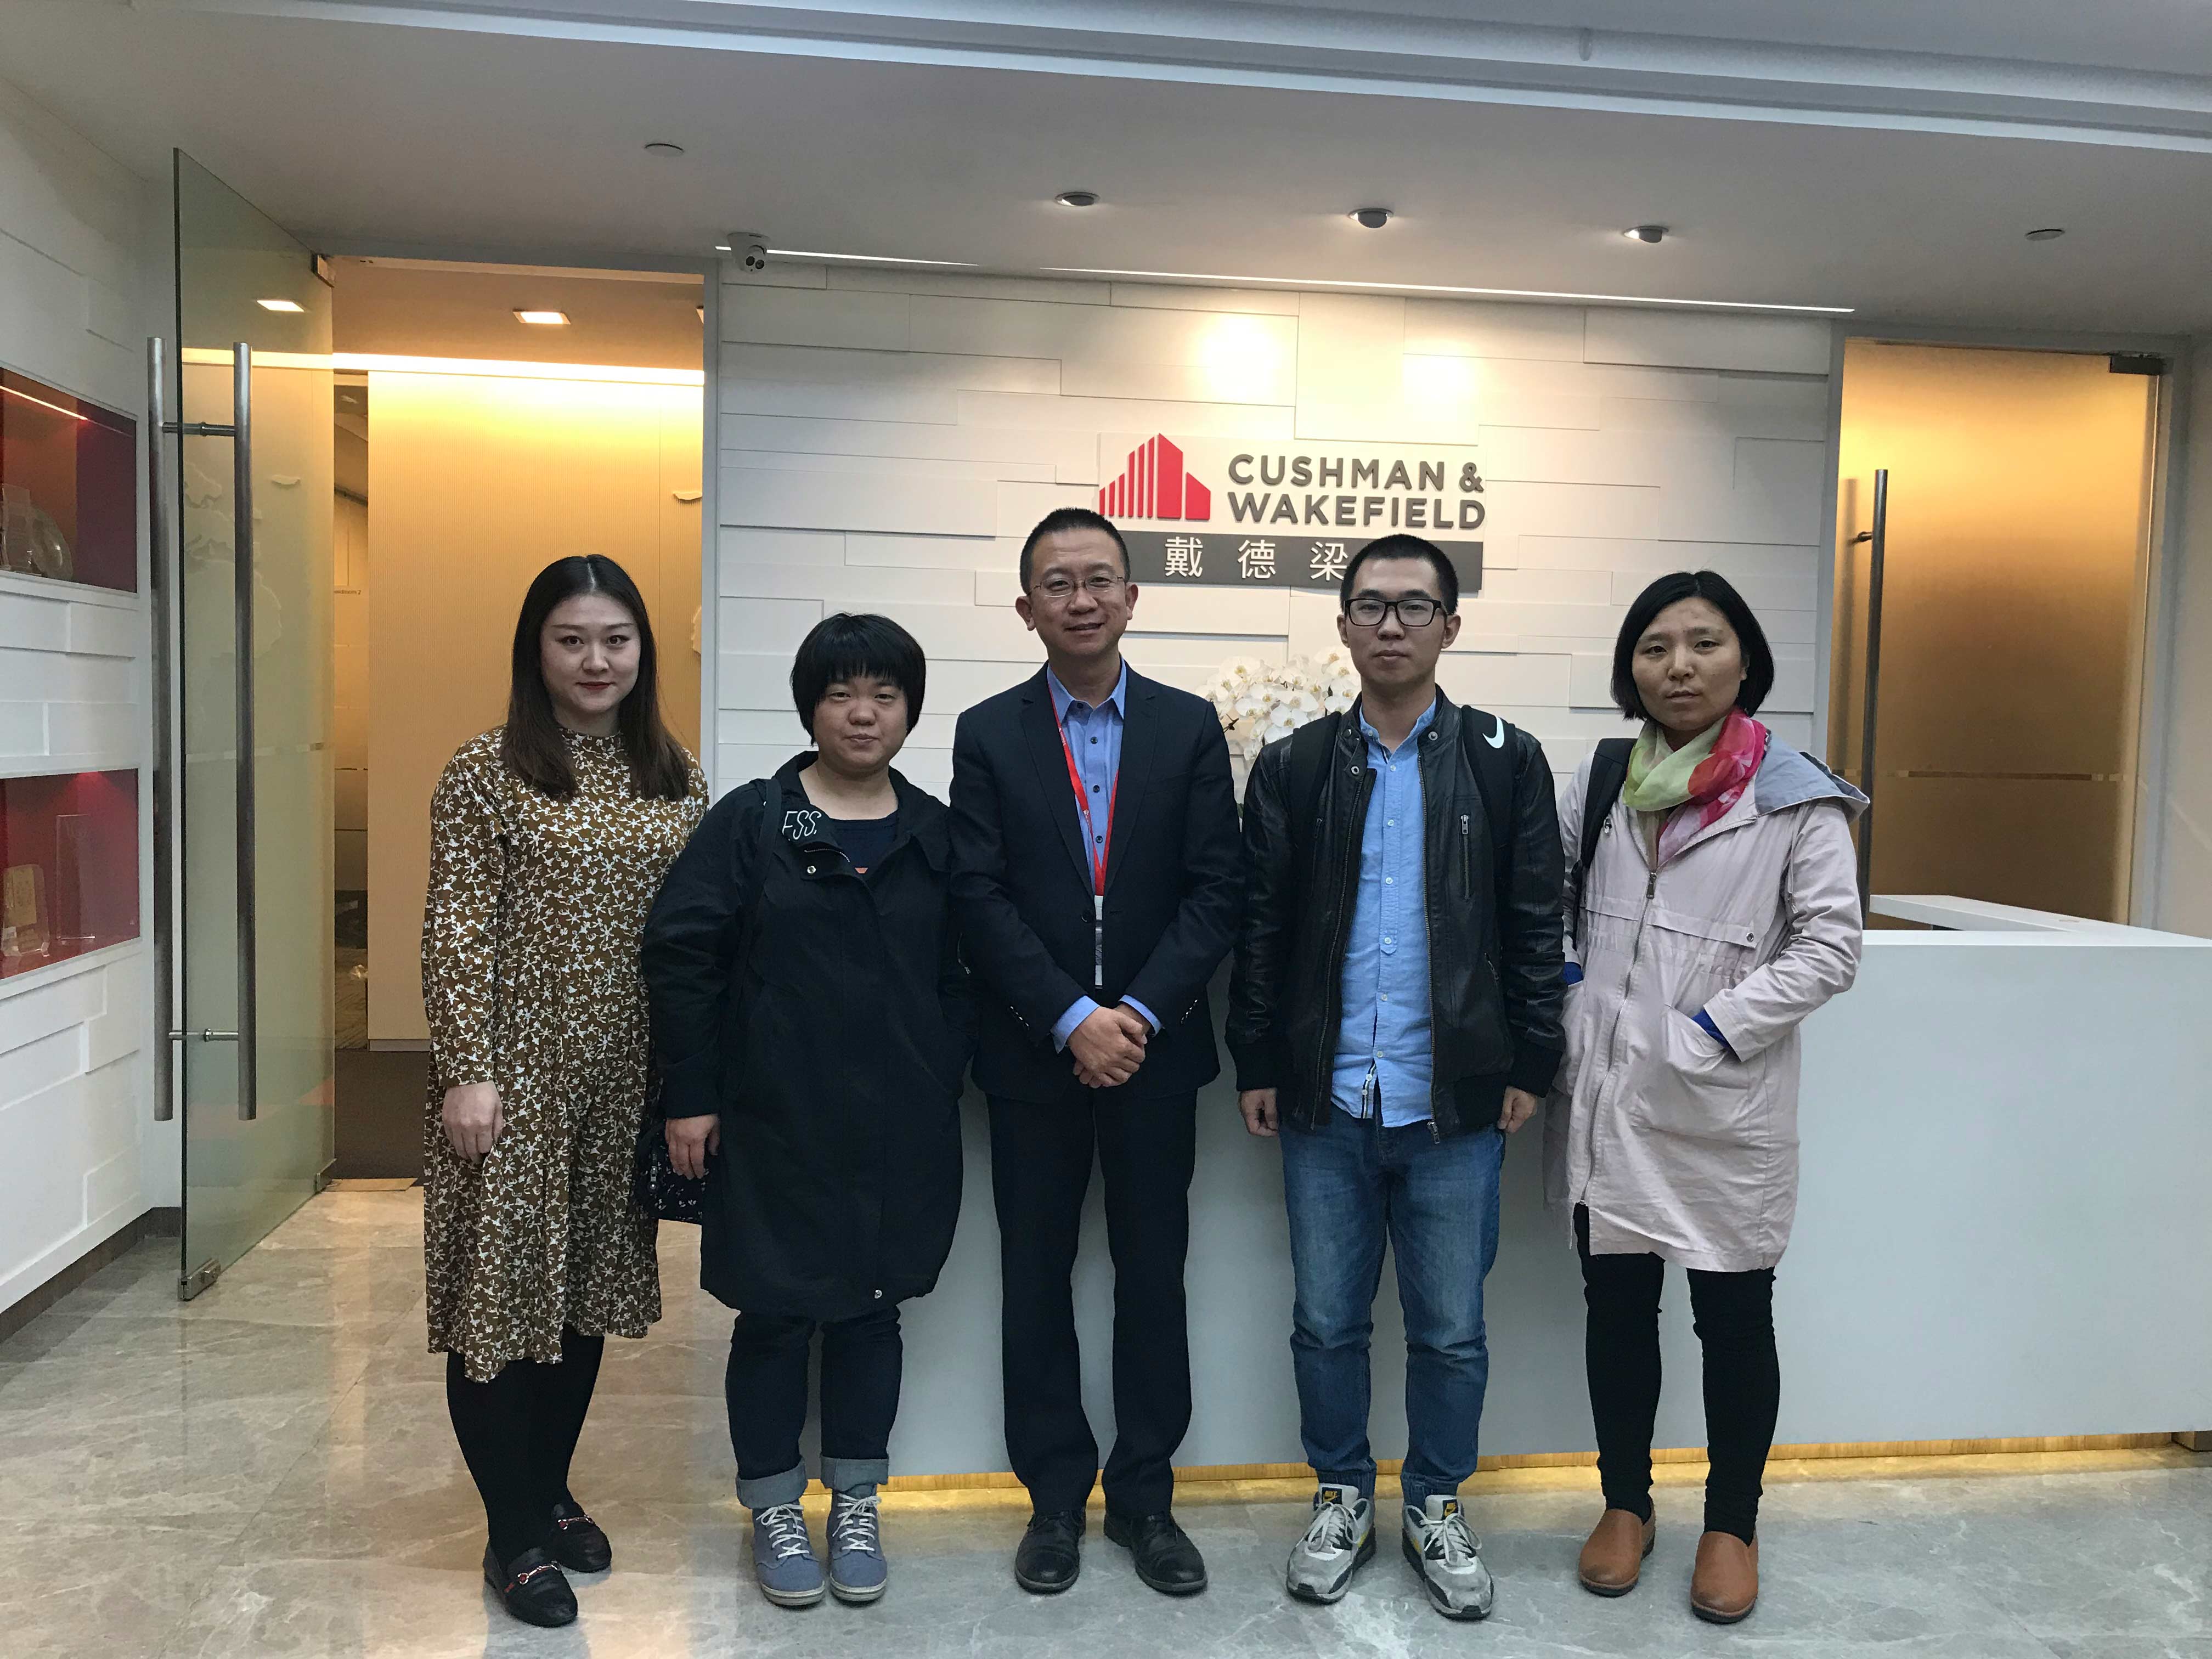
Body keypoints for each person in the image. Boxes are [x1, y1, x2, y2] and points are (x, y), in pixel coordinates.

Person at [1228, 533, 1566, 1622]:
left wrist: (1532, 1058)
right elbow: (1264, 927)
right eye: (1370, 605)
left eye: (1414, 606)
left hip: (1454, 1102)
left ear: (1450, 627)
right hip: (1327, 1096)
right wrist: (1257, 1057)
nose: (1390, 624)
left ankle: (1434, 1504)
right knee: (1327, 1322)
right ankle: (1340, 1495)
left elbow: (1534, 924)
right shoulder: (1294, 766)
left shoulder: (1506, 761)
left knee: (1451, 1328)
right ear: (1342, 626)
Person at [1548, 570, 1865, 1625]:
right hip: (1606, 1096)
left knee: (1731, 1319)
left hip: (1720, 1103)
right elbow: (1551, 900)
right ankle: (1625, 1504)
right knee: (1616, 1312)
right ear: (1630, 668)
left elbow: (1830, 947)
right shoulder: (1604, 778)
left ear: (1746, 660)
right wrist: (1572, 997)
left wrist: (1708, 1032)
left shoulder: (1797, 797)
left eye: (1704, 643)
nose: (1678, 666)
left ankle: (1733, 1521)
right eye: (1655, 647)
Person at [640, 612, 972, 1610]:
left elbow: (966, 969)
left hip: (899, 1122)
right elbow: (682, 956)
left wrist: (941, 1064)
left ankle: (857, 1501)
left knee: (873, 1310)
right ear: (809, 708)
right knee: (775, 1314)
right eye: (840, 693)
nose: (863, 713)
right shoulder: (753, 821)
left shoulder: (935, 832)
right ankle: (775, 1506)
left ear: (910, 710)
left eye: (884, 694)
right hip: (771, 1118)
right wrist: (692, 1095)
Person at [948, 507, 1243, 1598]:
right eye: (1058, 583)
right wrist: (1073, 1017)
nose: (1081, 599)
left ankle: (1147, 1499)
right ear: (1027, 608)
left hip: (1156, 1059)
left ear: (1132, 597)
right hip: (1035, 1059)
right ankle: (1055, 1502)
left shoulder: (1188, 726)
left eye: (1099, 579)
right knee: (1035, 1279)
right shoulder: (988, 733)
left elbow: (1218, 889)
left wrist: (1140, 1015)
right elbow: (976, 896)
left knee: (1152, 1277)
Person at [421, 555, 706, 1628]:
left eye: (616, 640)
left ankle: (544, 1489)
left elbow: (696, 936)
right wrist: (466, 1069)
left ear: (642, 651)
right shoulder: (486, 770)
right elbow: (456, 925)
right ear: (535, 650)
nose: (596, 660)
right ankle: (514, 1537)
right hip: (513, 1076)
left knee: (583, 1293)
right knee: (498, 1306)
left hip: (625, 1077)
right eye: (572, 639)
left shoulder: (675, 777)